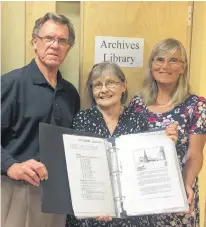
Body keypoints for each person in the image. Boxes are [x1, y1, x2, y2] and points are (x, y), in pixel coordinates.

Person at [66, 61, 178, 227]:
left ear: (123, 85)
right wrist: (93, 206)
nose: (103, 90)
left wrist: (166, 143)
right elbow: (76, 171)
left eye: (110, 82)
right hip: (92, 214)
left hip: (132, 214)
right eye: (97, 85)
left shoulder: (138, 120)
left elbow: (147, 167)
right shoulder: (81, 120)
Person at [1, 12, 80, 227]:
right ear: (35, 42)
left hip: (57, 194)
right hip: (15, 189)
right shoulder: (10, 84)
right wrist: (10, 166)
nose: (55, 45)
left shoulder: (70, 94)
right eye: (48, 38)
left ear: (69, 48)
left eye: (62, 40)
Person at [129, 38, 206, 227]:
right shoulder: (137, 104)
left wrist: (186, 185)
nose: (165, 66)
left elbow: (195, 154)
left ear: (183, 67)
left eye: (173, 60)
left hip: (176, 195)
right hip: (142, 194)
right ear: (151, 65)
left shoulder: (195, 105)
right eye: (159, 59)